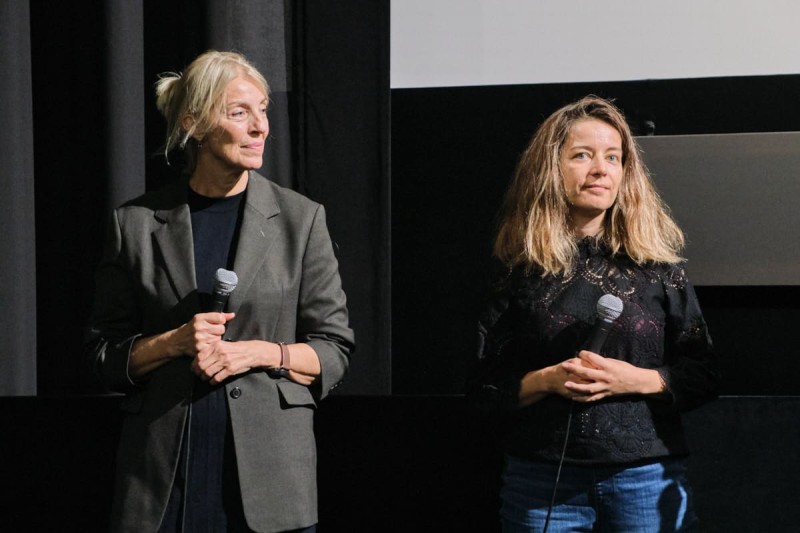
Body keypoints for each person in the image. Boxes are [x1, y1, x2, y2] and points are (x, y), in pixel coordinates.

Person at [85, 50, 354, 533]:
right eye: (239, 112)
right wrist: (172, 342)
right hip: (162, 481)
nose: (260, 127)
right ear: (194, 123)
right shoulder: (135, 225)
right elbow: (102, 356)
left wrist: (257, 352)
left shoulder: (301, 219)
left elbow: (333, 351)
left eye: (264, 109)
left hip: (269, 483)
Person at [467, 96, 719, 532]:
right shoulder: (517, 270)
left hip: (644, 480)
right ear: (551, 168)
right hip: (541, 482)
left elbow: (704, 372)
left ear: (626, 172)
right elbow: (482, 388)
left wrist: (636, 379)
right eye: (582, 155)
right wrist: (546, 380)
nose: (601, 169)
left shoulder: (659, 269)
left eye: (613, 157)